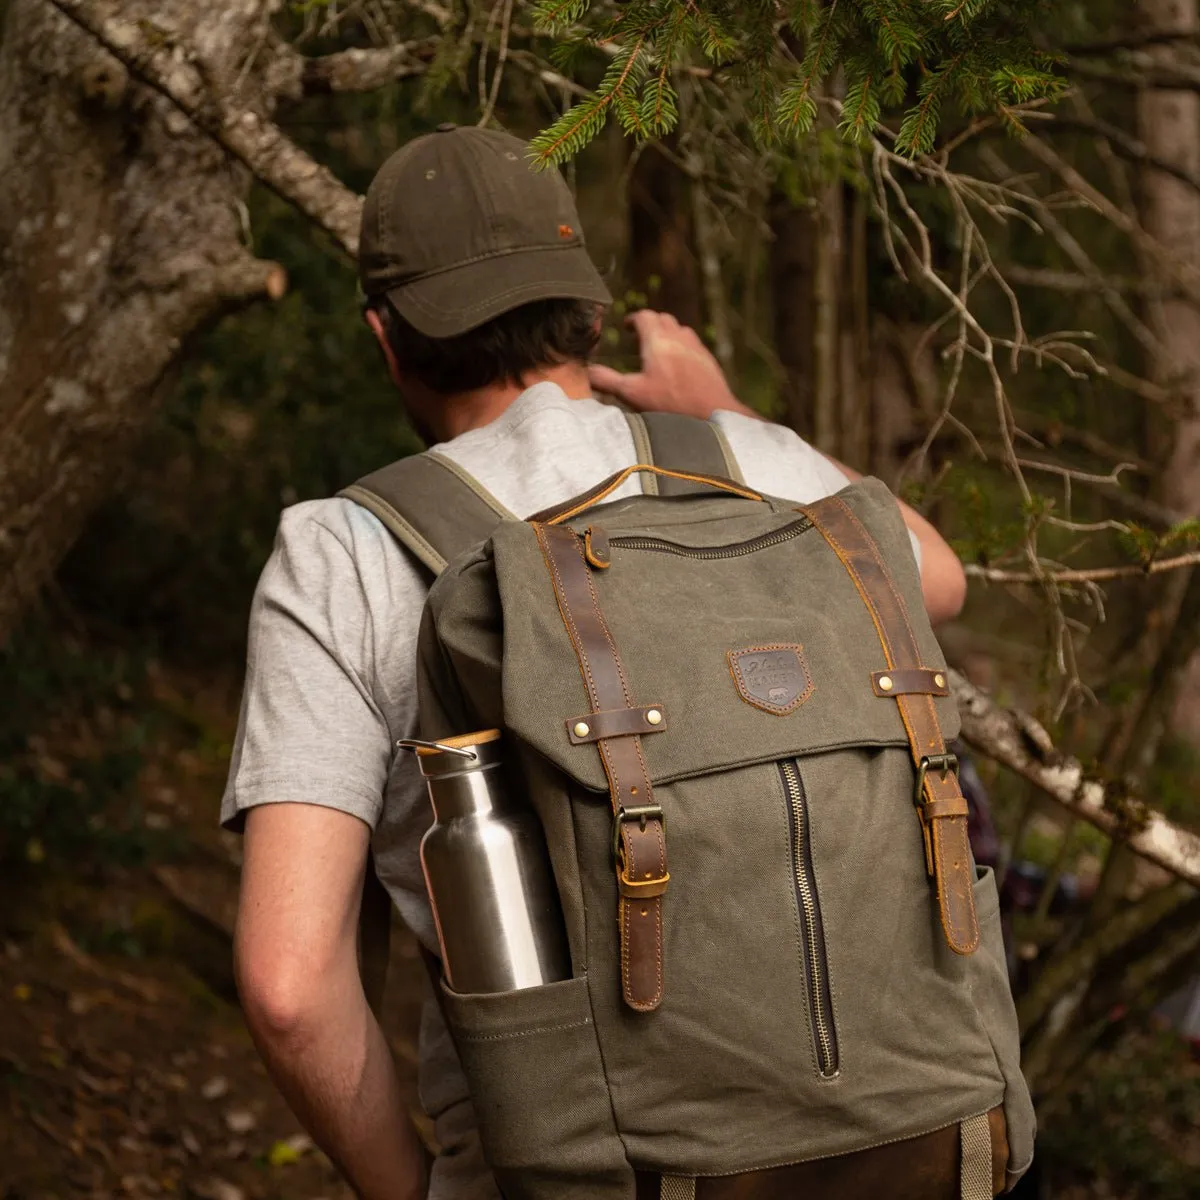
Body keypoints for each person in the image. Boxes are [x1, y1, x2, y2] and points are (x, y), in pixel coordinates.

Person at [222, 124, 968, 1200]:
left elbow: (290, 988)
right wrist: (724, 412)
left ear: (388, 339)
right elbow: (937, 576)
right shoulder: (765, 467)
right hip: (890, 1144)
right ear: (591, 314)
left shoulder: (348, 550)